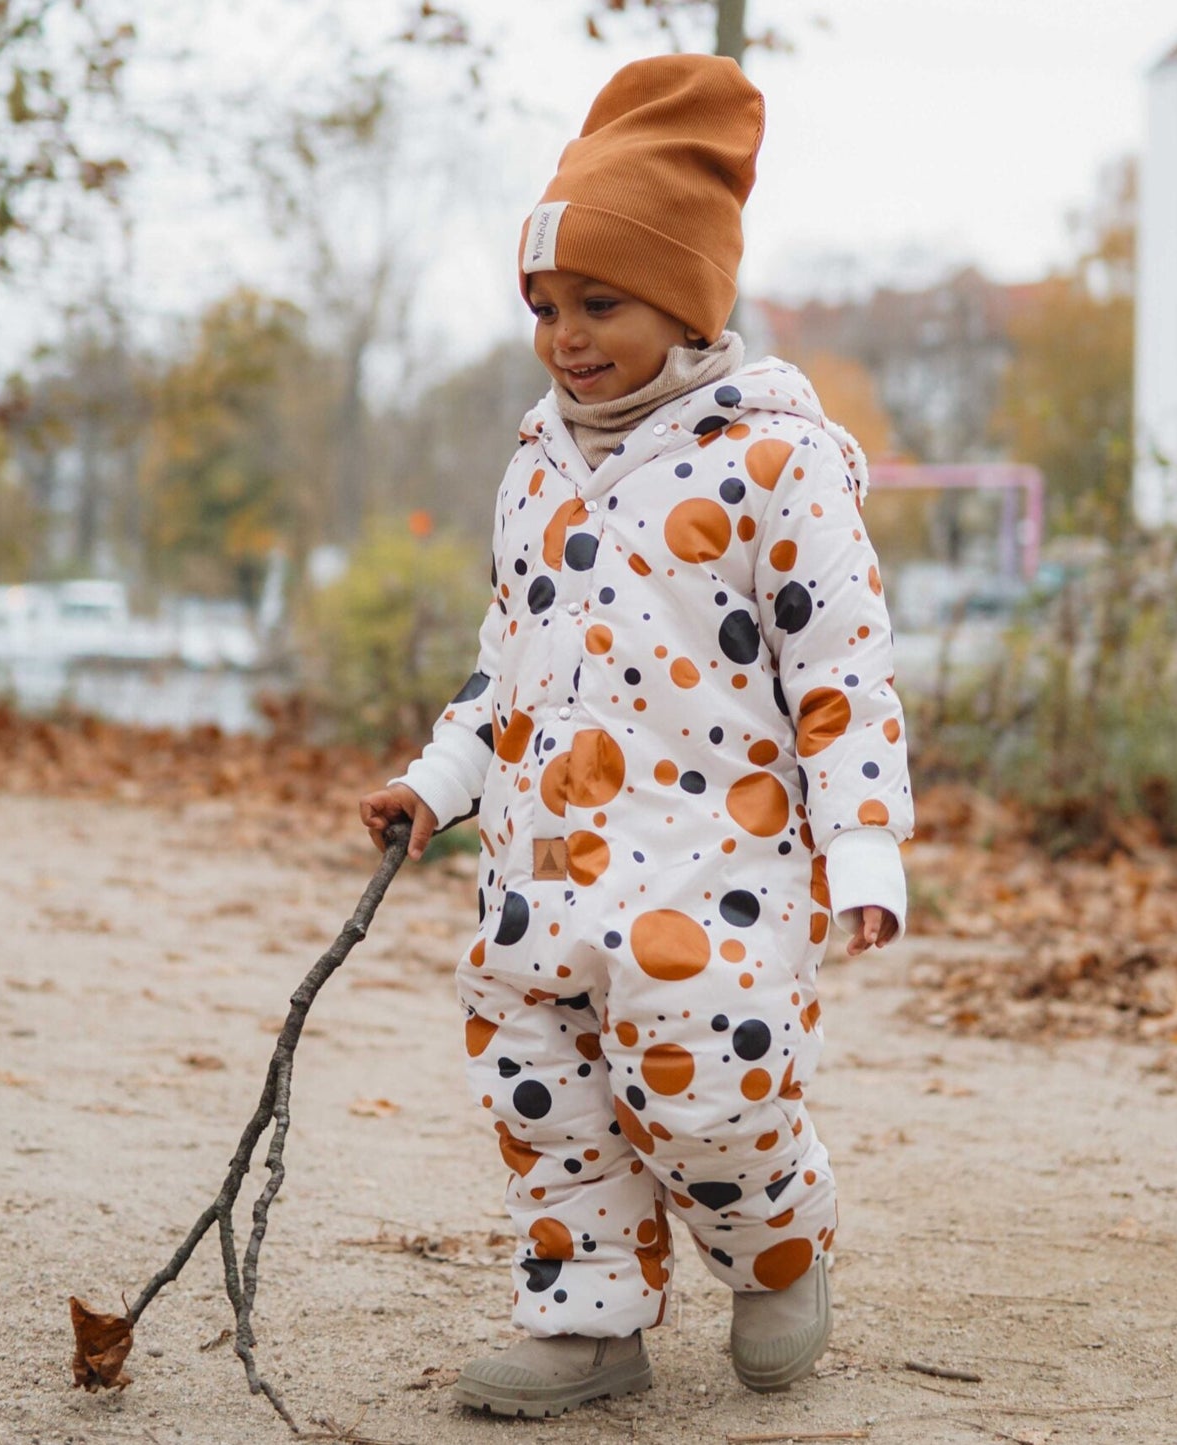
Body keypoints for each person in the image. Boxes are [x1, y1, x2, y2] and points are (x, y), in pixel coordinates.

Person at [359, 52, 913, 1419]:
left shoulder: (773, 463)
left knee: (708, 1086)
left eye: (598, 300)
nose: (565, 333)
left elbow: (841, 668)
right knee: (543, 1092)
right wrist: (439, 783)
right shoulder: (535, 466)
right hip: (541, 864)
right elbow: (510, 663)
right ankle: (587, 1317)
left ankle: (775, 1239)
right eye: (544, 304)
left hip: (711, 869)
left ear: (685, 298)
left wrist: (863, 845)